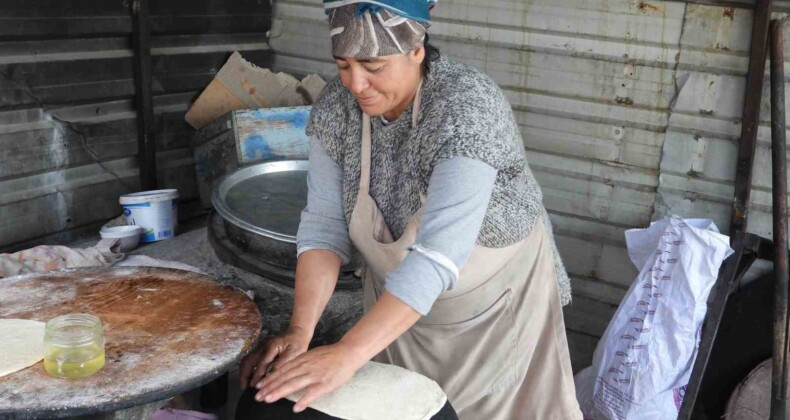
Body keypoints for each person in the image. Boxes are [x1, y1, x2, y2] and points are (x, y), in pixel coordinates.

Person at [237, 0, 582, 418]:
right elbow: (325, 226)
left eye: (373, 66)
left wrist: (348, 353)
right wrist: (300, 331)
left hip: (493, 306)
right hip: (400, 309)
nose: (355, 83)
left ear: (416, 50)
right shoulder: (337, 108)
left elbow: (438, 254)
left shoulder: (466, 108)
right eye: (343, 65)